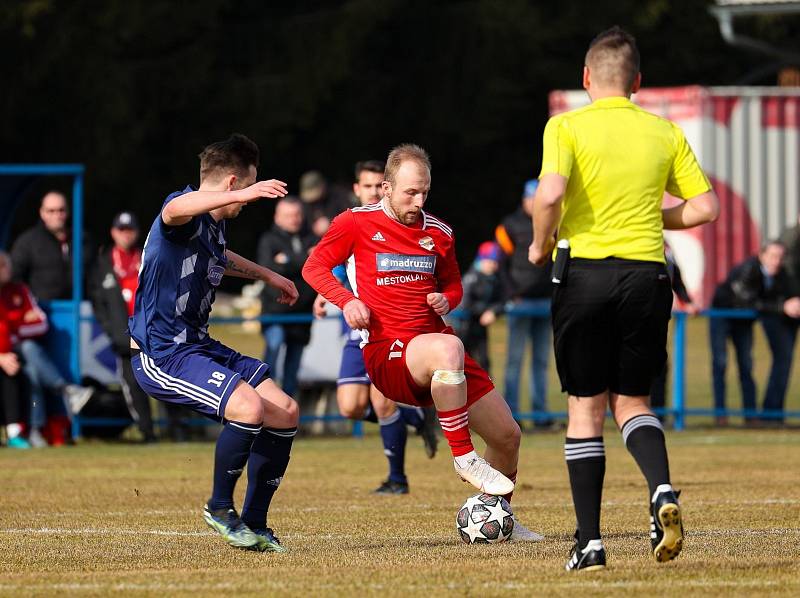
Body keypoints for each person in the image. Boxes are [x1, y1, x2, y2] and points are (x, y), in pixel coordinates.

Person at [529, 27, 719, 571]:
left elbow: (551, 193)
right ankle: (661, 491)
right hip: (647, 276)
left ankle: (589, 543)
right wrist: (648, 216)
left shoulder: (565, 125)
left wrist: (541, 245)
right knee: (634, 402)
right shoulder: (663, 131)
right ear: (638, 81)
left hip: (585, 275)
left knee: (585, 409)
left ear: (586, 78)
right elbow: (705, 209)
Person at [303, 144, 542, 541]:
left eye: (425, 193)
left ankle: (499, 518)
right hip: (388, 352)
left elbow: (453, 285)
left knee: (507, 436)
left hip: (433, 346)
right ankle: (464, 457)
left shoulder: (440, 233)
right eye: (410, 192)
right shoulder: (355, 222)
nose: (418, 202)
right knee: (450, 348)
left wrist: (446, 299)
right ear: (386, 187)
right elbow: (314, 267)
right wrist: (347, 301)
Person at [129, 133, 300, 552]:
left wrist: (269, 275)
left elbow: (221, 258)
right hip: (162, 353)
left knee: (285, 411)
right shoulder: (182, 211)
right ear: (230, 184)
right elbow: (173, 210)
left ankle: (255, 523)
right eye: (246, 191)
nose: (248, 203)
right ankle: (219, 508)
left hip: (197, 345)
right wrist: (254, 189)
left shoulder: (212, 227)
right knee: (248, 406)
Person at [312, 160, 438, 495]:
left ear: (386, 188)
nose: (371, 192)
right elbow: (330, 266)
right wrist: (327, 296)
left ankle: (397, 478)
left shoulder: (399, 223)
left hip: (389, 331)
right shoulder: (352, 222)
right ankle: (414, 419)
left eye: (376, 186)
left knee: (383, 402)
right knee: (350, 406)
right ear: (357, 189)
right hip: (356, 329)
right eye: (365, 186)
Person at [0, 251, 91, 447]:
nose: (3, 270)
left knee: (32, 366)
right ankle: (66, 389)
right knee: (28, 346)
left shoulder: (20, 290)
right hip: (3, 352)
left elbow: (41, 324)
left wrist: (14, 329)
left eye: (4, 265)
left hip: (17, 351)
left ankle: (34, 430)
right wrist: (19, 326)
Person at [709, 241, 800, 426]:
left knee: (746, 365)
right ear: (762, 255)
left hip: (744, 321)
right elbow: (746, 300)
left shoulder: (780, 274)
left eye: (780, 257)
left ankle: (750, 415)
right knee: (720, 364)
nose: (777, 261)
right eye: (773, 256)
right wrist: (782, 307)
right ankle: (721, 415)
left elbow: (773, 297)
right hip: (722, 316)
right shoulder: (748, 270)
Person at [89, 212, 157, 442]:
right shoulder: (105, 261)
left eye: (130, 230)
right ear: (113, 232)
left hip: (152, 332)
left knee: (169, 383)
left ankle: (179, 428)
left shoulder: (146, 257)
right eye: (121, 230)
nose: (126, 234)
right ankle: (148, 432)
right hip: (125, 337)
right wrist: (113, 332)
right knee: (134, 383)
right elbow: (99, 302)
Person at [496, 179, 554, 427]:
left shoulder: (555, 222)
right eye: (533, 198)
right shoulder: (509, 225)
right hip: (519, 303)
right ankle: (512, 416)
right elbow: (499, 265)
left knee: (541, 363)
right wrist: (510, 294)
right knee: (514, 361)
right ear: (525, 200)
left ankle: (540, 416)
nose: (537, 203)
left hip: (546, 301)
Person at [256, 197, 318, 399]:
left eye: (297, 214)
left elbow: (319, 269)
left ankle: (286, 417)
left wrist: (287, 260)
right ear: (277, 217)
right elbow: (267, 271)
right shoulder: (268, 240)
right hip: (275, 313)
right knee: (271, 360)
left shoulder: (312, 238)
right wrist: (303, 259)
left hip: (303, 315)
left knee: (293, 370)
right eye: (288, 215)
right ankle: (266, 405)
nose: (294, 219)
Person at [11, 191, 94, 300]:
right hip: (43, 310)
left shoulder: (83, 240)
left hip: (79, 309)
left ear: (68, 211)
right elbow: (15, 277)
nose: (57, 215)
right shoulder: (27, 242)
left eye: (61, 210)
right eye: (51, 211)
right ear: (42, 213)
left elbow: (95, 276)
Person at [650, 242, 699, 422]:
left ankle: (658, 413)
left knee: (660, 366)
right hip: (634, 317)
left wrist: (687, 301)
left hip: (657, 319)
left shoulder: (667, 254)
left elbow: (676, 280)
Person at [453, 241, 505, 372]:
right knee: (463, 362)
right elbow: (465, 304)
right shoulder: (471, 278)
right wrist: (485, 311)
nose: (494, 265)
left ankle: (486, 391)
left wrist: (493, 311)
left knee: (484, 362)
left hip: (479, 326)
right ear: (481, 260)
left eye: (496, 262)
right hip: (463, 326)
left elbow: (502, 300)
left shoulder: (494, 279)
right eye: (490, 261)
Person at [0, 252, 32, 448]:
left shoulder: (14, 291)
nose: (7, 269)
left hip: (6, 355)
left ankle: (13, 433)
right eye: (2, 266)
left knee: (11, 368)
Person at [298, 170, 353, 237]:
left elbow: (351, 217)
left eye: (314, 194)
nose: (313, 199)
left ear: (322, 187)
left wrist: (331, 222)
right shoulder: (306, 203)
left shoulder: (339, 196)